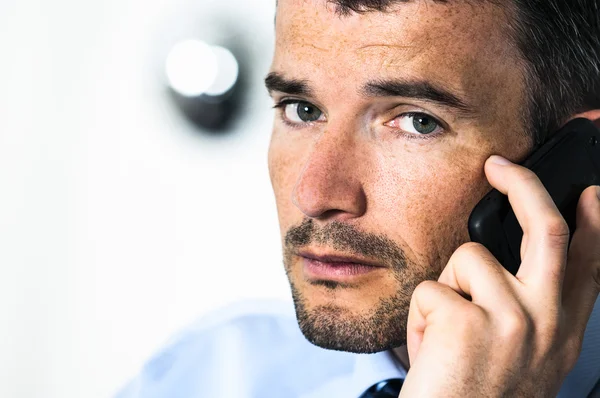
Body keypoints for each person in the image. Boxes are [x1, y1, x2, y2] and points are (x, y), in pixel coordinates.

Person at [116, 0, 600, 396]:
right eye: (302, 110)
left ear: (578, 161)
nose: (315, 195)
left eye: (416, 121)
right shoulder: (207, 375)